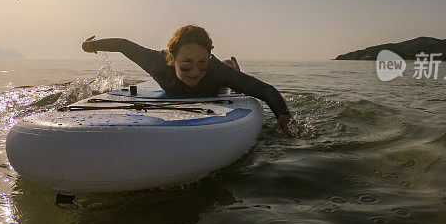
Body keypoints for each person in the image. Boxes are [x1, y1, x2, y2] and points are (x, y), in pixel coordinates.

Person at [81, 25, 301, 138]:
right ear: (171, 58)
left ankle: (232, 66)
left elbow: (266, 90)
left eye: (202, 64)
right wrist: (88, 46)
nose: (195, 72)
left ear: (209, 59)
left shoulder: (215, 71)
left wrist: (286, 122)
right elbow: (123, 44)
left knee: (230, 75)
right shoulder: (157, 62)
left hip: (221, 79)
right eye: (185, 66)